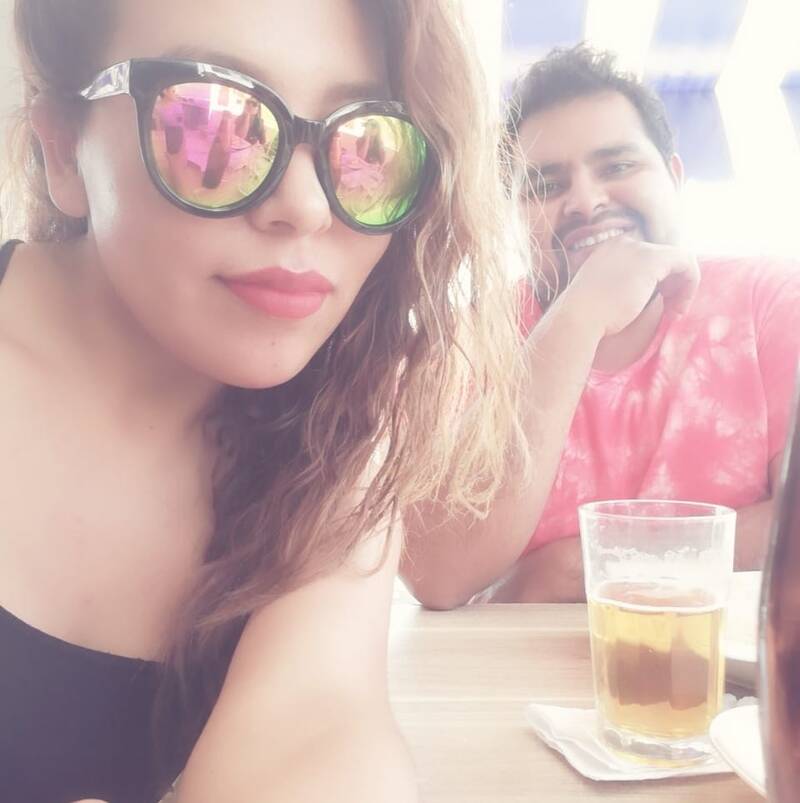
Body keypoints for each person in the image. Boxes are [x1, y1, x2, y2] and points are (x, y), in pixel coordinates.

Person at [0, 1, 528, 801]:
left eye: (367, 146)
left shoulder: (337, 428)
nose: (306, 206)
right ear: (64, 150)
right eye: (213, 124)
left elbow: (315, 730)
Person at [401, 44, 800, 608]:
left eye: (618, 167)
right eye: (545, 186)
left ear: (675, 178)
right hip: (510, 665)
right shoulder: (467, 341)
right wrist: (582, 311)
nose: (586, 203)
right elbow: (436, 574)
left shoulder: (771, 300)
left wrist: (584, 566)